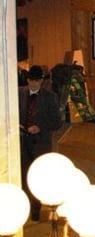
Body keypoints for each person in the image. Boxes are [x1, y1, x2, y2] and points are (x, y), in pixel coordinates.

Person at [18, 65, 62, 221]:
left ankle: (36, 208)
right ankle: (25, 207)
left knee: (36, 176)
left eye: (36, 81)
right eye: (31, 81)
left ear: (41, 81)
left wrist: (40, 127)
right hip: (22, 141)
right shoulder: (19, 92)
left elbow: (57, 122)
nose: (33, 84)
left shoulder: (50, 97)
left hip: (40, 144)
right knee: (23, 176)